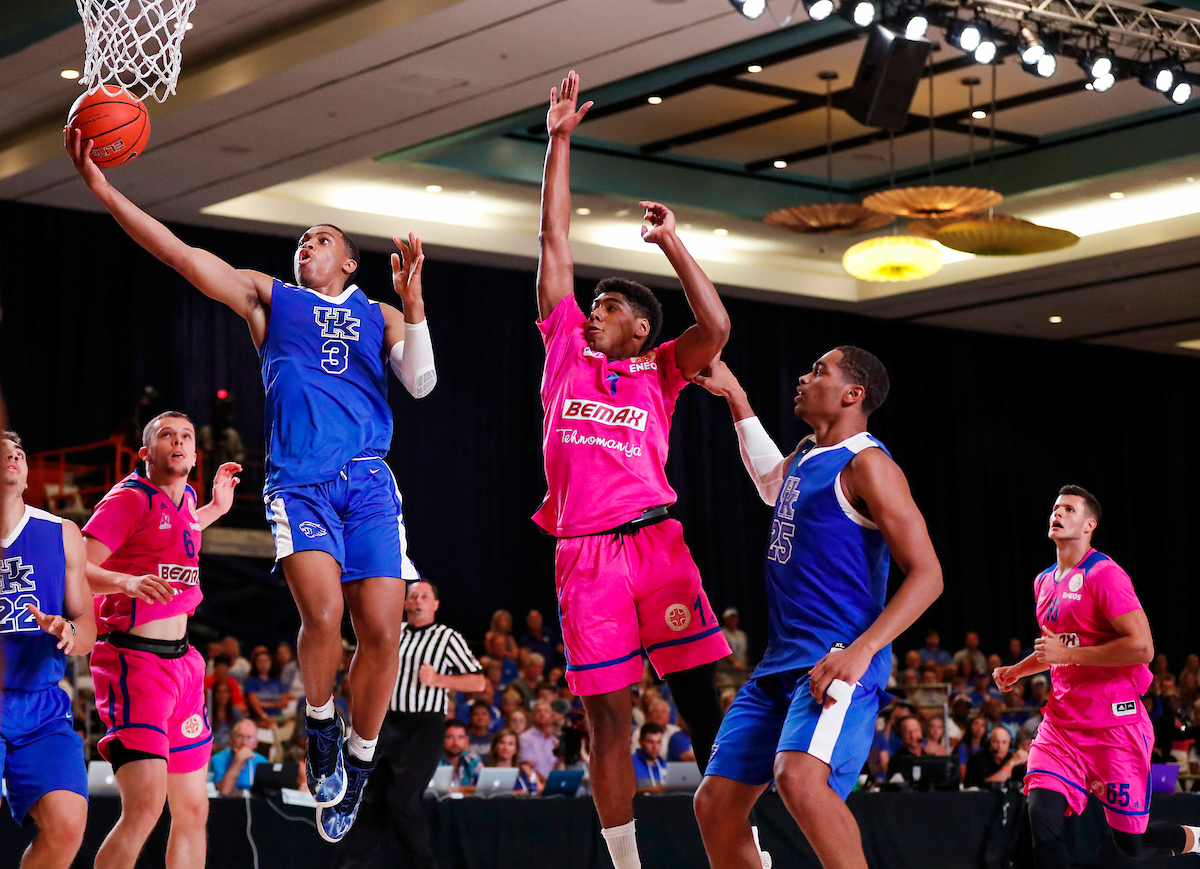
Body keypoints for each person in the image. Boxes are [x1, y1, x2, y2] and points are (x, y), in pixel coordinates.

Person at [68, 121, 435, 842]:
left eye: (322, 239)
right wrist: (104, 188)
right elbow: (180, 253)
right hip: (300, 481)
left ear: (351, 262)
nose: (306, 246)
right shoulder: (270, 300)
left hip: (368, 482)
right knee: (326, 617)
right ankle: (321, 730)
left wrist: (415, 304)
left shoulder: (380, 313)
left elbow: (421, 383)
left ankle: (357, 763)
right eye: (301, 240)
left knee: (384, 631)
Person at [535, 70, 732, 869]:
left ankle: (736, 837)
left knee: (707, 711)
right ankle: (625, 862)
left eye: (608, 307)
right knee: (607, 720)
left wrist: (673, 243)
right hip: (585, 554)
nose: (593, 312)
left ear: (640, 326)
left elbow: (715, 324)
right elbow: (554, 243)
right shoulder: (562, 355)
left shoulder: (660, 370)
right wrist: (558, 140)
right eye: (592, 305)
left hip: (656, 547)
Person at [691, 349, 943, 869]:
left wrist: (861, 651)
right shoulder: (808, 452)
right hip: (778, 663)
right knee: (715, 805)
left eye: (819, 371)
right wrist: (736, 398)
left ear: (854, 394)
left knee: (798, 779)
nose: (803, 377)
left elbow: (929, 575)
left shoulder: (869, 466)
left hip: (836, 660)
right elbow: (769, 485)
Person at [993, 485, 1200, 867]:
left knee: (1132, 844)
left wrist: (1066, 653)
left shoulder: (1105, 574)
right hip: (1062, 727)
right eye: (1055, 508)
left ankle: (1197, 838)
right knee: (1042, 819)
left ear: (1089, 525)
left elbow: (1143, 648)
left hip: (1114, 729)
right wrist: (1017, 672)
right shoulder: (1043, 583)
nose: (1057, 514)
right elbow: (1056, 651)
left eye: (1069, 510)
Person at [82, 412, 239, 869]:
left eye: (186, 436)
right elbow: (78, 567)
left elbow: (176, 533)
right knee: (145, 808)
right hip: (134, 662)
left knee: (193, 810)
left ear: (194, 454)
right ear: (145, 453)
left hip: (184, 664)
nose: (178, 441)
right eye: (166, 435)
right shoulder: (127, 500)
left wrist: (215, 511)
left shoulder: (186, 496)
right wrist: (125, 584)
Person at [333, 579, 485, 869]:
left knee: (402, 798)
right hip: (386, 721)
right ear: (403, 603)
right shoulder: (394, 632)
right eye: (413, 596)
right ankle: (348, 865)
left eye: (424, 596)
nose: (417, 601)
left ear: (435, 604)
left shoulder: (447, 637)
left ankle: (424, 864)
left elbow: (477, 680)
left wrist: (439, 680)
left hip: (423, 726)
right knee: (371, 797)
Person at [0, 430, 96, 869]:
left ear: (26, 477)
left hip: (40, 705)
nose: (13, 458)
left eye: (18, 453)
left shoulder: (62, 533)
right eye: (3, 453)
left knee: (68, 824)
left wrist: (69, 630)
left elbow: (89, 627)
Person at [210, 719, 269, 796]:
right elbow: (224, 791)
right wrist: (237, 761)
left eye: (249, 738)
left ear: (255, 743)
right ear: (231, 738)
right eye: (240, 736)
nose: (244, 743)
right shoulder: (218, 759)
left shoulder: (262, 761)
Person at [486, 729, 539, 795]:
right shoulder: (487, 772)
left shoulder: (524, 772)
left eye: (510, 744)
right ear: (495, 747)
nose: (506, 748)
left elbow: (536, 793)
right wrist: (514, 793)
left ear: (516, 750)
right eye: (502, 743)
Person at [244, 648, 290, 725]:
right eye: (260, 661)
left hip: (278, 717)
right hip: (259, 718)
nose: (263, 664)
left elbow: (284, 703)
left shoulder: (277, 682)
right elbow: (254, 704)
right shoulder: (251, 682)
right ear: (255, 664)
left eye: (265, 661)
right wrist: (265, 716)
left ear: (270, 663)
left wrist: (265, 704)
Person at [519, 700, 560, 781]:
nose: (542, 714)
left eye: (546, 711)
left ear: (552, 716)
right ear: (533, 715)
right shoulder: (525, 738)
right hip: (535, 784)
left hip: (556, 784)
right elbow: (529, 766)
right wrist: (546, 783)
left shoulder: (555, 739)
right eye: (538, 711)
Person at [440, 721, 481, 790]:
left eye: (460, 737)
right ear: (442, 739)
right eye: (450, 737)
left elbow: (483, 788)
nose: (455, 742)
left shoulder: (473, 759)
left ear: (467, 740)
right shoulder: (433, 761)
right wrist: (466, 790)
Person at [717, 608, 750, 691]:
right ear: (725, 619)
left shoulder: (741, 634)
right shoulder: (721, 633)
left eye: (735, 617)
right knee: (729, 699)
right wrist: (734, 663)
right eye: (730, 618)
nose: (733, 620)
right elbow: (723, 651)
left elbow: (745, 652)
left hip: (740, 674)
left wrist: (744, 666)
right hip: (726, 674)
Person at [208, 678, 242, 753]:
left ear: (229, 694)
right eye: (218, 692)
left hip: (231, 751)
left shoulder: (235, 713)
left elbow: (239, 734)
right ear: (214, 694)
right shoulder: (208, 713)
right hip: (211, 751)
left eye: (225, 692)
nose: (222, 695)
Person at [632, 723, 667, 792]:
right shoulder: (630, 764)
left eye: (658, 742)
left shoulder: (665, 765)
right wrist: (651, 790)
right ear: (640, 742)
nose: (655, 747)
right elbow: (622, 792)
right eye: (650, 742)